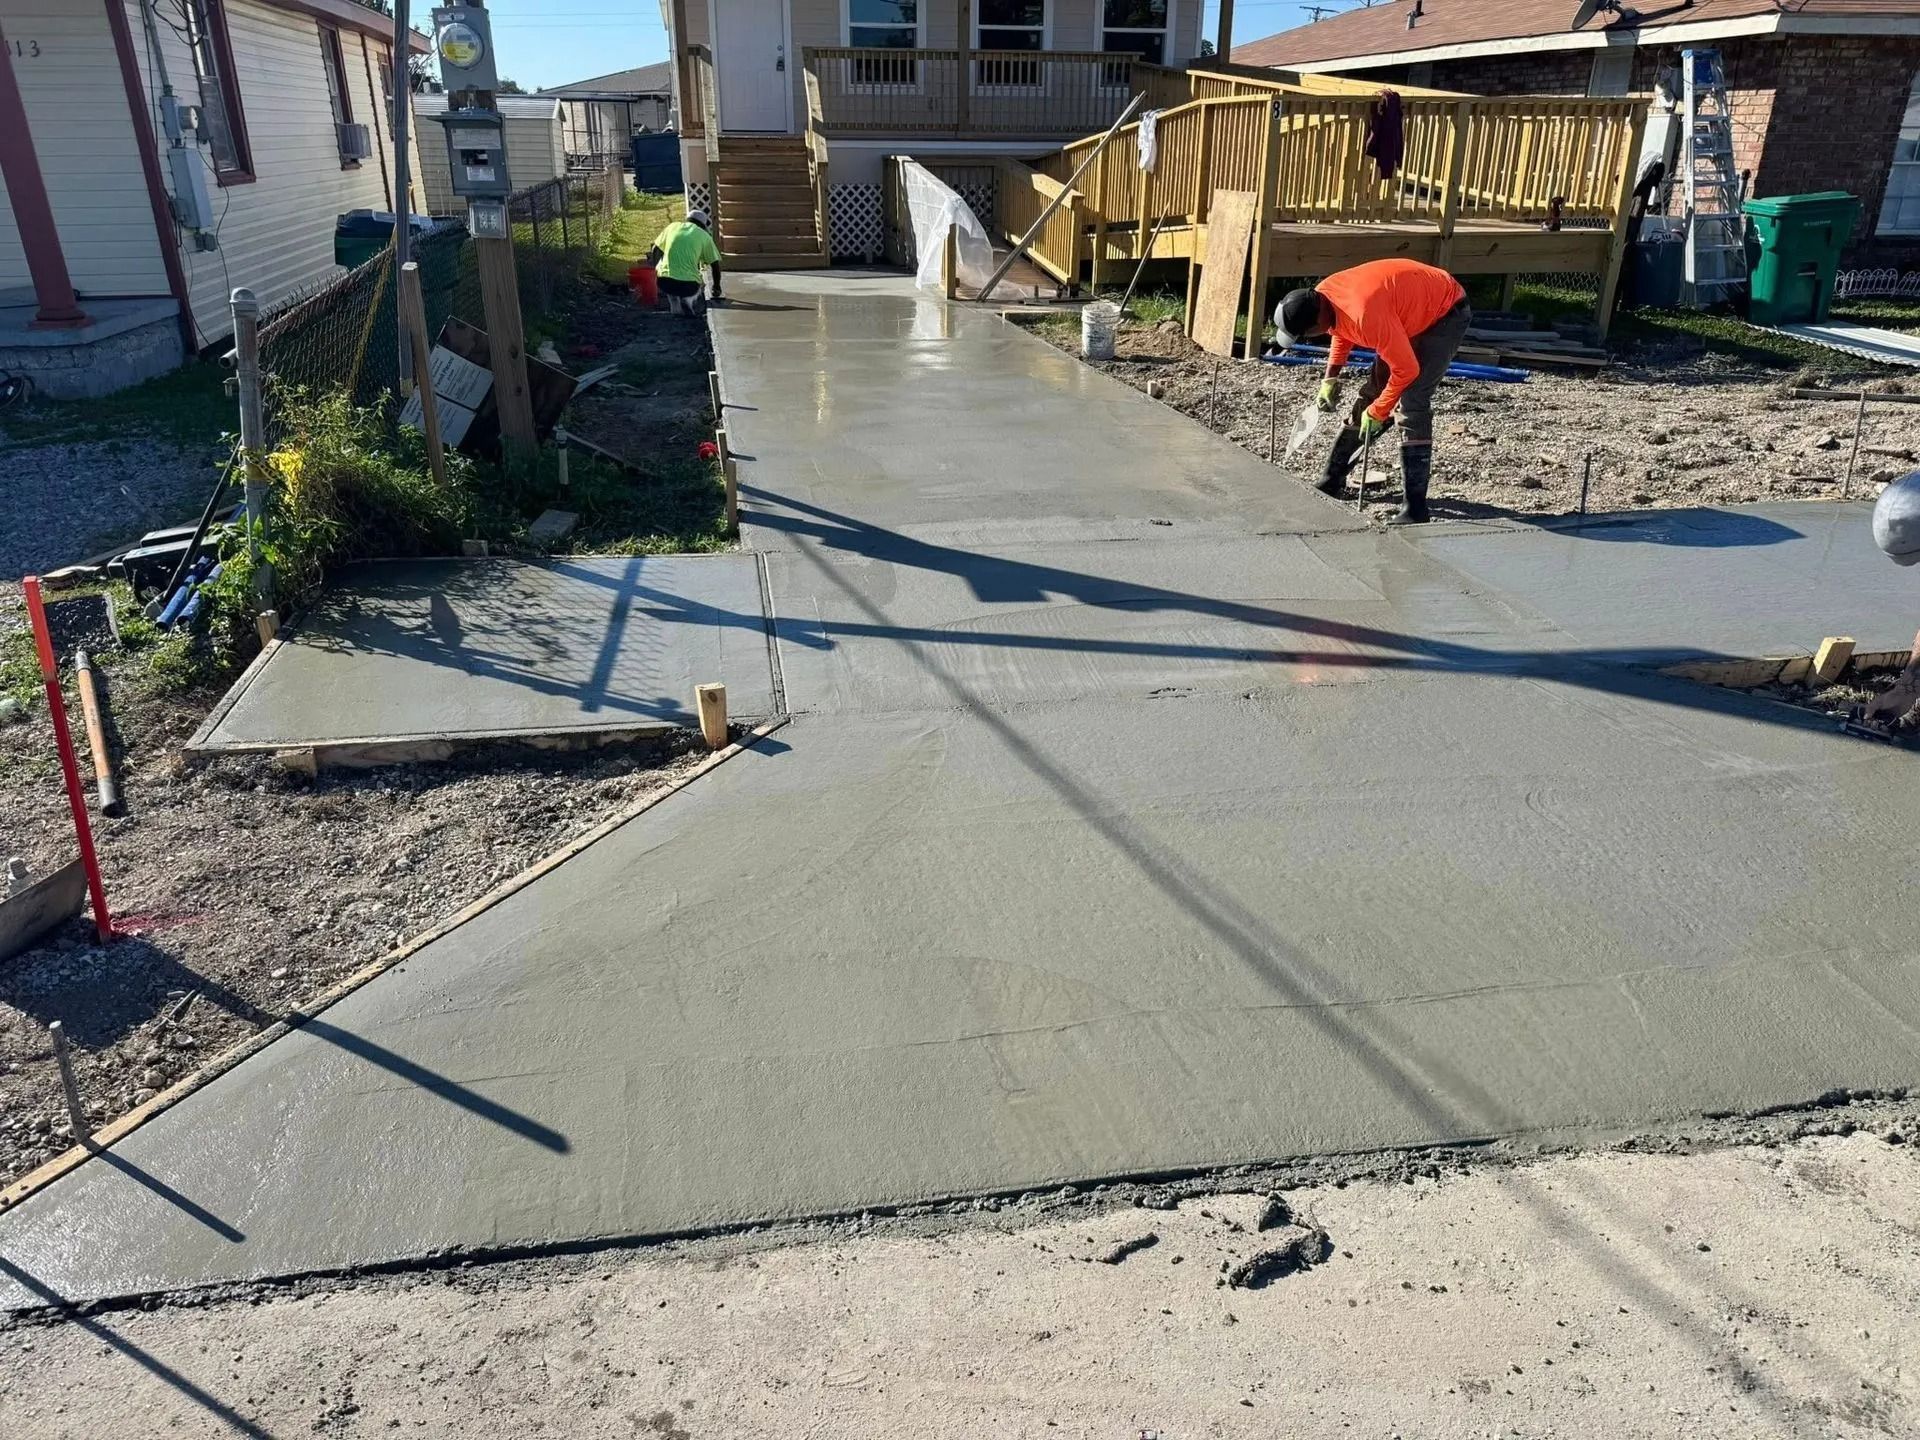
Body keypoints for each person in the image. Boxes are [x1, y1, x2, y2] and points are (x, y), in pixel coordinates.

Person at [1273, 258, 1472, 524]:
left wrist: (1379, 411)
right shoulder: (1322, 296)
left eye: (1306, 334)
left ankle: (1415, 510)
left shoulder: (1365, 315)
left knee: (1412, 402)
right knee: (1372, 394)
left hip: (1445, 310)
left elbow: (1407, 370)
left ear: (1316, 319)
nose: (1309, 339)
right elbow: (1340, 328)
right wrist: (1330, 377)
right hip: (1406, 309)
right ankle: (1332, 480)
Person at [646, 209, 722, 316]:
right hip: (689, 286)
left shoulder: (672, 227)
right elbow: (715, 265)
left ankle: (675, 306)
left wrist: (655, 273)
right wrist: (716, 287)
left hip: (664, 282)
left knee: (666, 273)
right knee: (701, 283)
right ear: (702, 225)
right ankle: (688, 301)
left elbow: (655, 249)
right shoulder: (704, 236)